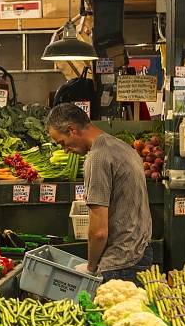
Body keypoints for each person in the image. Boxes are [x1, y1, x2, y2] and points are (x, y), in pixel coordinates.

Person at [45, 103, 153, 283]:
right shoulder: (121, 146)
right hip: (140, 250)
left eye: (62, 143)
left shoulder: (97, 158)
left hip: (120, 261)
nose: (64, 150)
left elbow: (99, 231)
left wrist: (90, 267)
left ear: (72, 130)